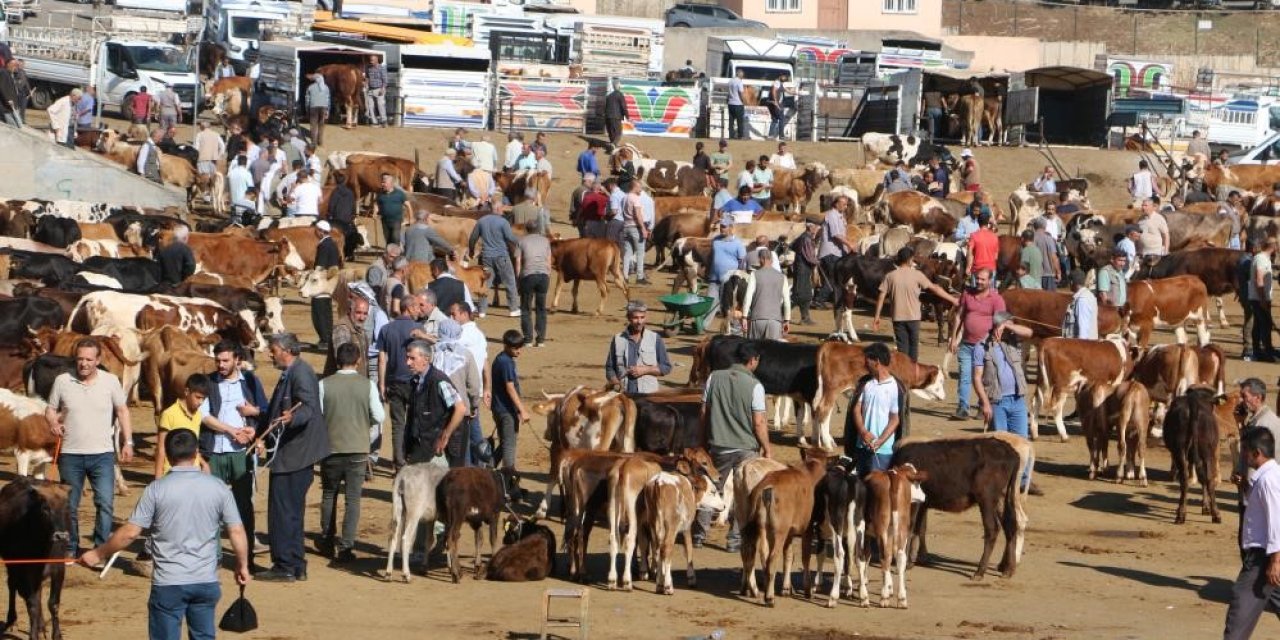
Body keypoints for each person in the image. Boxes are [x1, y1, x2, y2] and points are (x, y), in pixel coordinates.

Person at [79, 430, 250, 640]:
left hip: (169, 583)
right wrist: (242, 565)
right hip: (205, 581)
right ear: (196, 453)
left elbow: (131, 532)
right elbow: (236, 531)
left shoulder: (156, 490)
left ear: (168, 457)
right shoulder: (219, 488)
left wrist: (98, 553)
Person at [45, 338, 132, 555]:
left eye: (88, 359)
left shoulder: (111, 381)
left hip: (102, 454)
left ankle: (100, 549)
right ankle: (71, 548)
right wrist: (53, 423)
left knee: (105, 503)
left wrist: (128, 442)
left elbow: (122, 411)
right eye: (80, 359)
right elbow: (50, 409)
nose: (83, 363)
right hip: (70, 454)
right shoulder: (62, 381)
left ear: (98, 360)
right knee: (70, 507)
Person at [257, 333, 328, 583]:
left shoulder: (301, 373)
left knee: (283, 512)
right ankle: (296, 564)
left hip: (294, 456)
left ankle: (285, 565)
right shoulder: (294, 371)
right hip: (294, 454)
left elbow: (308, 408)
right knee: (292, 512)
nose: (270, 354)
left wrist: (291, 419)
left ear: (286, 350)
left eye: (273, 350)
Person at [692, 341, 769, 551]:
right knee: (743, 495)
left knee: (711, 488)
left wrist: (701, 440)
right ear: (753, 361)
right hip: (746, 449)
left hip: (718, 445)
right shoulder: (755, 386)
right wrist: (767, 448)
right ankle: (735, 540)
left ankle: (698, 535)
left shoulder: (714, 378)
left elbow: (703, 413)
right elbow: (759, 422)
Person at [199, 341, 267, 565]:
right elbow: (203, 415)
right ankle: (214, 557)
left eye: (225, 360)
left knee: (243, 506)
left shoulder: (249, 381)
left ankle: (246, 558)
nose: (220, 365)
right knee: (211, 507)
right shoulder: (208, 382)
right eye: (217, 360)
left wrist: (253, 432)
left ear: (237, 360)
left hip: (241, 454)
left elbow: (264, 412)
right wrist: (231, 431)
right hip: (214, 451)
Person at [318, 342, 384, 562]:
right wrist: (364, 425)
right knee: (353, 499)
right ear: (358, 361)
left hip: (330, 448)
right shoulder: (367, 385)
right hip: (357, 448)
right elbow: (379, 416)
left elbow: (317, 415)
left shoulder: (324, 384)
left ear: (337, 360)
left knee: (329, 494)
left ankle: (327, 540)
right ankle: (346, 547)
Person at [1221, 427, 1280, 640]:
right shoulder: (1269, 477)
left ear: (1257, 453)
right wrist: (1245, 486)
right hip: (1266, 556)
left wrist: (1275, 560)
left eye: (1246, 451)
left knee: (1239, 612)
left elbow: (1276, 521)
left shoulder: (1269, 481)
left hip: (1263, 559)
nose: (1243, 456)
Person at [972, 311, 1037, 491]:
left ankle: (1024, 481)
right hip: (997, 401)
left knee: (1023, 442)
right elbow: (977, 377)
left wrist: (1007, 325)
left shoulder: (1013, 339)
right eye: (1004, 324)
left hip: (1017, 399)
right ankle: (1001, 480)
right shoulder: (982, 346)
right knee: (1000, 444)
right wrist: (984, 403)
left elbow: (1029, 332)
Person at [874, 247, 958, 361]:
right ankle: (913, 372)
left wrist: (877, 316)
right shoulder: (917, 274)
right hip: (913, 318)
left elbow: (881, 296)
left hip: (898, 318)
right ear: (910, 260)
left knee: (902, 351)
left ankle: (903, 374)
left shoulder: (890, 276)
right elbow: (935, 289)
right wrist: (952, 299)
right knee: (913, 350)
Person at [948, 269, 1005, 421]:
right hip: (966, 344)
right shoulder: (967, 294)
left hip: (985, 346)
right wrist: (954, 338)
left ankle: (982, 406)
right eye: (977, 279)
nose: (979, 282)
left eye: (983, 280)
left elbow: (1001, 320)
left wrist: (998, 333)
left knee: (986, 379)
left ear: (990, 281)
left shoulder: (996, 299)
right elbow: (959, 315)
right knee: (964, 376)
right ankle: (963, 408)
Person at [403, 340, 468, 466]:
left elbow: (460, 409)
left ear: (426, 359)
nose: (408, 363)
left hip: (444, 445)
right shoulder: (415, 381)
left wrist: (445, 436)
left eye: (412, 358)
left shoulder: (439, 381)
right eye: (407, 358)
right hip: (424, 443)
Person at [378, 294, 423, 470]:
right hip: (414, 382)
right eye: (417, 306)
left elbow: (383, 359)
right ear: (409, 308)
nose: (419, 310)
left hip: (393, 382)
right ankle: (410, 457)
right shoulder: (418, 328)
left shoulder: (386, 329)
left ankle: (398, 461)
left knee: (398, 424)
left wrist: (382, 384)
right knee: (414, 421)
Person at [430, 319, 481, 468]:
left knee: (435, 453)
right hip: (460, 412)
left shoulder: (432, 352)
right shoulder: (466, 354)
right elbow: (474, 385)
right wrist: (474, 405)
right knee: (457, 457)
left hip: (436, 411)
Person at [846, 343, 901, 475]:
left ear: (876, 362)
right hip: (861, 447)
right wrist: (863, 432)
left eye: (867, 360)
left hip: (883, 451)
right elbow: (856, 409)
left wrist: (880, 441)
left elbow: (895, 419)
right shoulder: (865, 383)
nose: (865, 364)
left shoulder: (894, 387)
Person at [448, 302, 488, 465]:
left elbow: (444, 344)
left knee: (466, 434)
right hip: (475, 390)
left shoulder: (461, 335)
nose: (451, 318)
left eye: (453, 314)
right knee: (474, 433)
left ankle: (473, 467)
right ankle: (483, 463)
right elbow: (486, 363)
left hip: (465, 392)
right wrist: (487, 387)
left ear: (464, 314)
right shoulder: (479, 334)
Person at [605, 300, 672, 394]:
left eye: (642, 317)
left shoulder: (655, 338)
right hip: (624, 395)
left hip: (648, 396)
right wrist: (615, 381)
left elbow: (666, 367)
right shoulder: (618, 339)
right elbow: (610, 368)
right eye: (635, 318)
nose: (639, 322)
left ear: (646, 316)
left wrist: (645, 370)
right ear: (628, 317)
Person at [490, 330, 528, 493]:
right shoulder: (505, 362)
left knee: (505, 443)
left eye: (520, 347)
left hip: (501, 408)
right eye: (515, 348)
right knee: (509, 450)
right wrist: (522, 410)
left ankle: (485, 468)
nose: (519, 351)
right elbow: (510, 388)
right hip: (506, 411)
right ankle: (509, 488)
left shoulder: (503, 359)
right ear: (506, 346)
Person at [468, 206, 520, 317]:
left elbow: (473, 238)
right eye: (502, 209)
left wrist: (471, 250)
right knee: (510, 282)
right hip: (502, 256)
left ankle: (482, 311)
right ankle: (513, 309)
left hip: (486, 257)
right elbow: (510, 237)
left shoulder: (481, 221)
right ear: (498, 209)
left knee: (485, 283)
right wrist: (522, 242)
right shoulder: (503, 222)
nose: (503, 211)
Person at [154, 374, 208, 479]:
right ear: (187, 392)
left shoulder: (198, 414)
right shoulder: (169, 414)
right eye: (198, 397)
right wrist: (158, 478)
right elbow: (161, 448)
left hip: (193, 474)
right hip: (172, 473)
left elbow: (193, 447)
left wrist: (203, 463)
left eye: (203, 398)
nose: (201, 402)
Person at [742, 249, 790, 340]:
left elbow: (748, 297)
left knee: (754, 351)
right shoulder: (782, 277)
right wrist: (787, 320)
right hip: (775, 321)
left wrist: (744, 317)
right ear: (771, 260)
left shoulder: (754, 274)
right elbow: (787, 302)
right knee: (772, 352)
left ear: (761, 259)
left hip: (757, 318)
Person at [517, 221, 551, 346]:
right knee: (541, 308)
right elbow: (548, 260)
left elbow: (518, 261)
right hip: (543, 276)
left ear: (526, 229)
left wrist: (518, 278)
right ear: (537, 228)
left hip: (528, 275)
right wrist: (548, 274)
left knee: (526, 308)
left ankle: (528, 339)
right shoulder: (545, 241)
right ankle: (541, 339)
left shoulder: (522, 241)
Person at [818, 195, 854, 303]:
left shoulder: (839, 216)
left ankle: (831, 299)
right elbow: (836, 234)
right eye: (843, 204)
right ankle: (819, 300)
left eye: (846, 204)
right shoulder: (832, 215)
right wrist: (849, 244)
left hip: (836, 252)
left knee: (832, 278)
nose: (845, 207)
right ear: (836, 203)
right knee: (833, 278)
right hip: (831, 252)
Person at [311, 221, 341, 350]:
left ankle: (325, 339)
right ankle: (327, 338)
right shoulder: (332, 243)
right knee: (326, 311)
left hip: (321, 284)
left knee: (319, 312)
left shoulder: (324, 245)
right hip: (329, 283)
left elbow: (320, 266)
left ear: (320, 230)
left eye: (316, 229)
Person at [708, 223, 746, 315]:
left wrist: (738, 275)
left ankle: (727, 326)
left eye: (724, 227)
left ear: (731, 228)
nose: (722, 229)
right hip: (714, 278)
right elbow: (711, 256)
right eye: (721, 226)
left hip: (729, 280)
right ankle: (703, 325)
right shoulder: (715, 240)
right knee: (710, 302)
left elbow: (742, 260)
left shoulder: (738, 243)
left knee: (726, 306)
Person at [1250, 238, 1277, 362]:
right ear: (1273, 246)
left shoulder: (1263, 258)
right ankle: (1267, 352)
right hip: (1259, 298)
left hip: (1259, 297)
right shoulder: (1261, 259)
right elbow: (1259, 279)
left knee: (1258, 324)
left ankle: (1257, 351)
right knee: (1265, 324)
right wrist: (1262, 299)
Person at [790, 218, 821, 325]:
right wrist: (817, 262)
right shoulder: (806, 239)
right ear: (810, 227)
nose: (817, 229)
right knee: (798, 294)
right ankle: (780, 314)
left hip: (802, 268)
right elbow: (809, 257)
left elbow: (791, 246)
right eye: (816, 227)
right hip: (802, 268)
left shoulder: (802, 237)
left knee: (805, 294)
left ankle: (805, 317)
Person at [326, 172, 359, 261]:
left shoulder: (335, 192)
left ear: (336, 182)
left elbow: (332, 205)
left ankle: (338, 254)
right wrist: (353, 214)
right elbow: (353, 205)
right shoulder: (350, 192)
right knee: (349, 236)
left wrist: (329, 215)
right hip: (347, 219)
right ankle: (349, 254)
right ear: (345, 181)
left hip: (337, 219)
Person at [375, 173, 411, 249]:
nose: (382, 184)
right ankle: (389, 254)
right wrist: (375, 212)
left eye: (384, 183)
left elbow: (408, 205)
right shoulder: (380, 194)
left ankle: (396, 255)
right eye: (382, 182)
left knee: (395, 238)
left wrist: (411, 218)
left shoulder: (400, 194)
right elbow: (376, 204)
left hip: (396, 220)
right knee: (388, 239)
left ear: (391, 184)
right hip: (385, 220)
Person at [1062, 270, 1098, 339]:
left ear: (1071, 282)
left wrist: (1081, 348)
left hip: (1081, 345)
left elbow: (1083, 329)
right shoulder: (1089, 295)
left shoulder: (1082, 300)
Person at [365, 243, 401, 308]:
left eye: (396, 258)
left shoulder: (390, 266)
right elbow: (374, 292)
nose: (393, 260)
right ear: (385, 254)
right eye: (391, 257)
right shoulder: (376, 268)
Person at [1032, 218, 1061, 291]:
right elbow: (1054, 257)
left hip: (1033, 275)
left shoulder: (1030, 238)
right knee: (1050, 300)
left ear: (1034, 226)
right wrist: (1058, 272)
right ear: (1045, 227)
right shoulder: (1049, 239)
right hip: (1048, 275)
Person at [968, 211, 999, 277]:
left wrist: (968, 267)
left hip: (977, 269)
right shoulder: (995, 237)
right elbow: (996, 256)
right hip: (991, 270)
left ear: (978, 222)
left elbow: (970, 253)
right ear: (988, 222)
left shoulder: (973, 235)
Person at [306, 72, 330, 146]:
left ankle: (314, 142)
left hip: (313, 107)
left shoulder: (310, 87)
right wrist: (328, 110)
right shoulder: (326, 87)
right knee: (321, 124)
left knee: (313, 125)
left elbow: (307, 100)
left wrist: (307, 108)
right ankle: (320, 141)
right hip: (323, 107)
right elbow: (328, 100)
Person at [364, 55, 388, 127]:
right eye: (370, 60)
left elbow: (385, 79)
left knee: (380, 105)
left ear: (376, 60)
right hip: (370, 89)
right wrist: (366, 84)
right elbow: (367, 77)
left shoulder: (382, 68)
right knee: (370, 106)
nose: (371, 62)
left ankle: (383, 121)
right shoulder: (368, 68)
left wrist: (383, 88)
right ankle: (374, 122)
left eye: (372, 60)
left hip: (379, 89)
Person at [727, 69, 746, 140]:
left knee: (731, 120)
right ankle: (740, 135)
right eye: (742, 75)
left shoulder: (730, 81)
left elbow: (728, 92)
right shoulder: (739, 82)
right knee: (740, 120)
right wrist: (743, 101)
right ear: (739, 74)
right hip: (738, 103)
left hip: (730, 102)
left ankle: (731, 135)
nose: (743, 76)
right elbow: (740, 92)